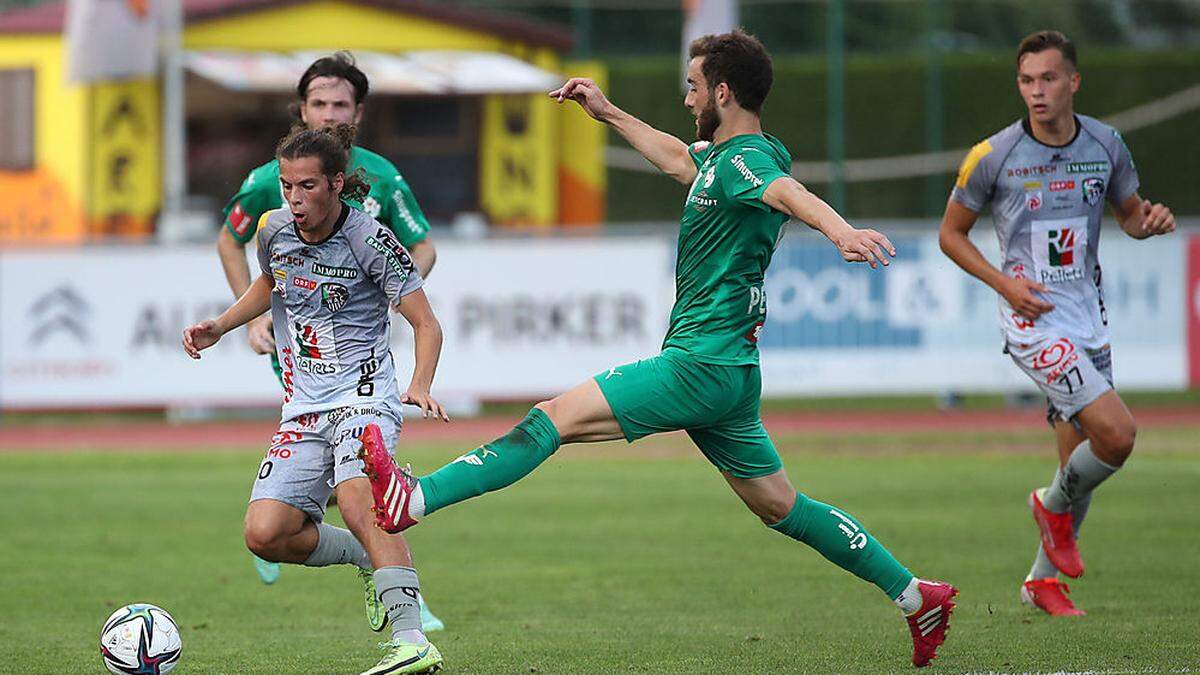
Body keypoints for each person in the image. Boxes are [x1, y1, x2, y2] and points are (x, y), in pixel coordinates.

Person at [355, 30, 957, 668]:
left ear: (722, 92)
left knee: (550, 418)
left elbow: (786, 193)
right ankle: (917, 596)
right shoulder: (732, 160)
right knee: (781, 506)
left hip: (699, 364)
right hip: (730, 371)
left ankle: (413, 499)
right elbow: (680, 159)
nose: (687, 98)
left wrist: (840, 231)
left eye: (694, 88)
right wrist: (608, 112)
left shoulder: (751, 162)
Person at [184, 124, 446, 675]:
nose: (295, 199)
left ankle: (413, 639)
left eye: (307, 186)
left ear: (334, 184)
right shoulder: (273, 229)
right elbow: (271, 283)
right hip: (304, 403)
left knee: (357, 501)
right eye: (286, 187)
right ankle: (367, 560)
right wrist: (224, 326)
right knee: (265, 533)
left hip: (365, 394)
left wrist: (418, 384)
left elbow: (426, 324)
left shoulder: (370, 239)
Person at [938, 30, 1175, 617]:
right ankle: (1049, 510)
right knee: (1117, 436)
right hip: (1032, 322)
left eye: (1047, 79)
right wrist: (1006, 285)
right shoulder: (991, 156)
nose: (1036, 91)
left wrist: (1148, 222)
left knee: (1077, 465)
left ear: (1073, 81)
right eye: (1026, 81)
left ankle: (1041, 581)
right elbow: (951, 234)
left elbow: (1129, 215)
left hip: (1088, 320)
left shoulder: (1106, 144)